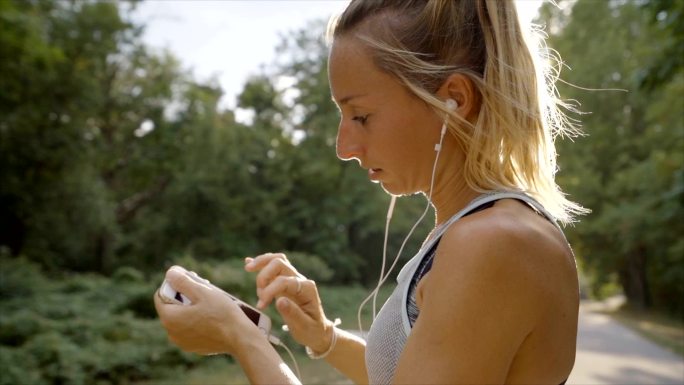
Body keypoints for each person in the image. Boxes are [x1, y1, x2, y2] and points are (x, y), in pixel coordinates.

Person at [154, 0, 585, 383]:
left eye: (360, 116)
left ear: (453, 98)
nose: (344, 148)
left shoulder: (493, 245)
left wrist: (241, 338)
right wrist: (324, 337)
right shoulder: (476, 230)